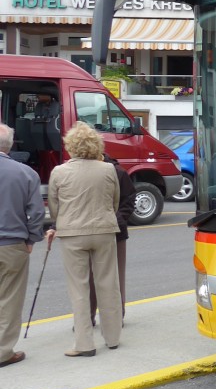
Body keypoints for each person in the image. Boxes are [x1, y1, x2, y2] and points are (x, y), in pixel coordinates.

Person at [47, 123, 122, 357]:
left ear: (70, 146)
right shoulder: (108, 169)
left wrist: (60, 224)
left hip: (72, 233)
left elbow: (54, 206)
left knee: (78, 288)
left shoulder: (59, 172)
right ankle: (112, 337)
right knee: (108, 284)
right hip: (103, 230)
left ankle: (84, 343)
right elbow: (115, 202)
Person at [0, 123, 45, 368]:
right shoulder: (26, 173)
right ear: (10, 146)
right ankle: (3, 351)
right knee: (9, 299)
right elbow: (37, 212)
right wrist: (31, 239)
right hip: (12, 244)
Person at [88, 154, 136, 322]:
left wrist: (116, 220)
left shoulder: (117, 172)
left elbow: (129, 200)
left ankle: (116, 316)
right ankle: (89, 315)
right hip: (89, 231)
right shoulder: (82, 170)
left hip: (115, 232)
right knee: (89, 277)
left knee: (114, 276)